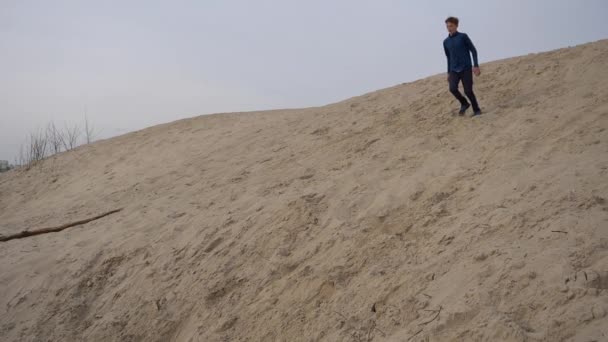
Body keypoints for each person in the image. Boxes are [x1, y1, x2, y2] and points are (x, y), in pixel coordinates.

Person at [443, 16, 482, 116]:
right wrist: (448, 72)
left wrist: (476, 65)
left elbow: (473, 50)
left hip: (465, 68)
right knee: (452, 88)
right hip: (453, 70)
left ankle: (477, 110)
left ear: (456, 26)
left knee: (468, 91)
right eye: (447, 26)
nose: (449, 28)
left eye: (451, 26)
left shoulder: (463, 36)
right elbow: (448, 57)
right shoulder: (446, 42)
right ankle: (464, 103)